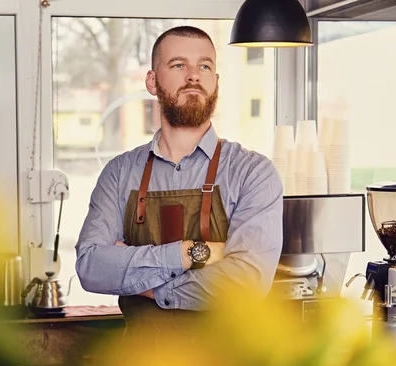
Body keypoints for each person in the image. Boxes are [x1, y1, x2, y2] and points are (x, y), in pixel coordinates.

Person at [75, 26, 283, 334]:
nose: (193, 75)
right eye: (178, 65)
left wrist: (149, 288)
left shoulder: (253, 173)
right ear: (152, 81)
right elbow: (92, 267)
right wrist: (191, 252)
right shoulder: (119, 173)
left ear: (215, 82)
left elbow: (245, 284)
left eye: (205, 66)